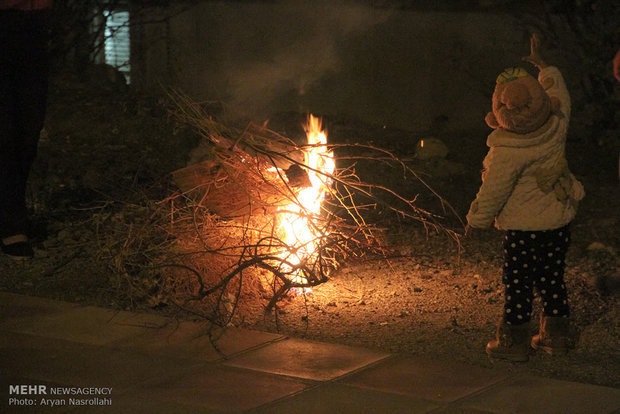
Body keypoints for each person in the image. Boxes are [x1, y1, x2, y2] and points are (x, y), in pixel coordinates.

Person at [466, 34, 585, 362]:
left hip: (521, 231)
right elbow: (561, 96)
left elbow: (494, 191)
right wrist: (546, 67)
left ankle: (514, 341)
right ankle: (556, 336)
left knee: (518, 284)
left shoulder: (508, 152)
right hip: (556, 224)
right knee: (551, 278)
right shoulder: (555, 124)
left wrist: (476, 221)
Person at [0, 0, 53, 258]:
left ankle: (11, 214)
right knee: (6, 131)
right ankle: (12, 223)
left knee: (28, 129)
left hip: (33, 26)